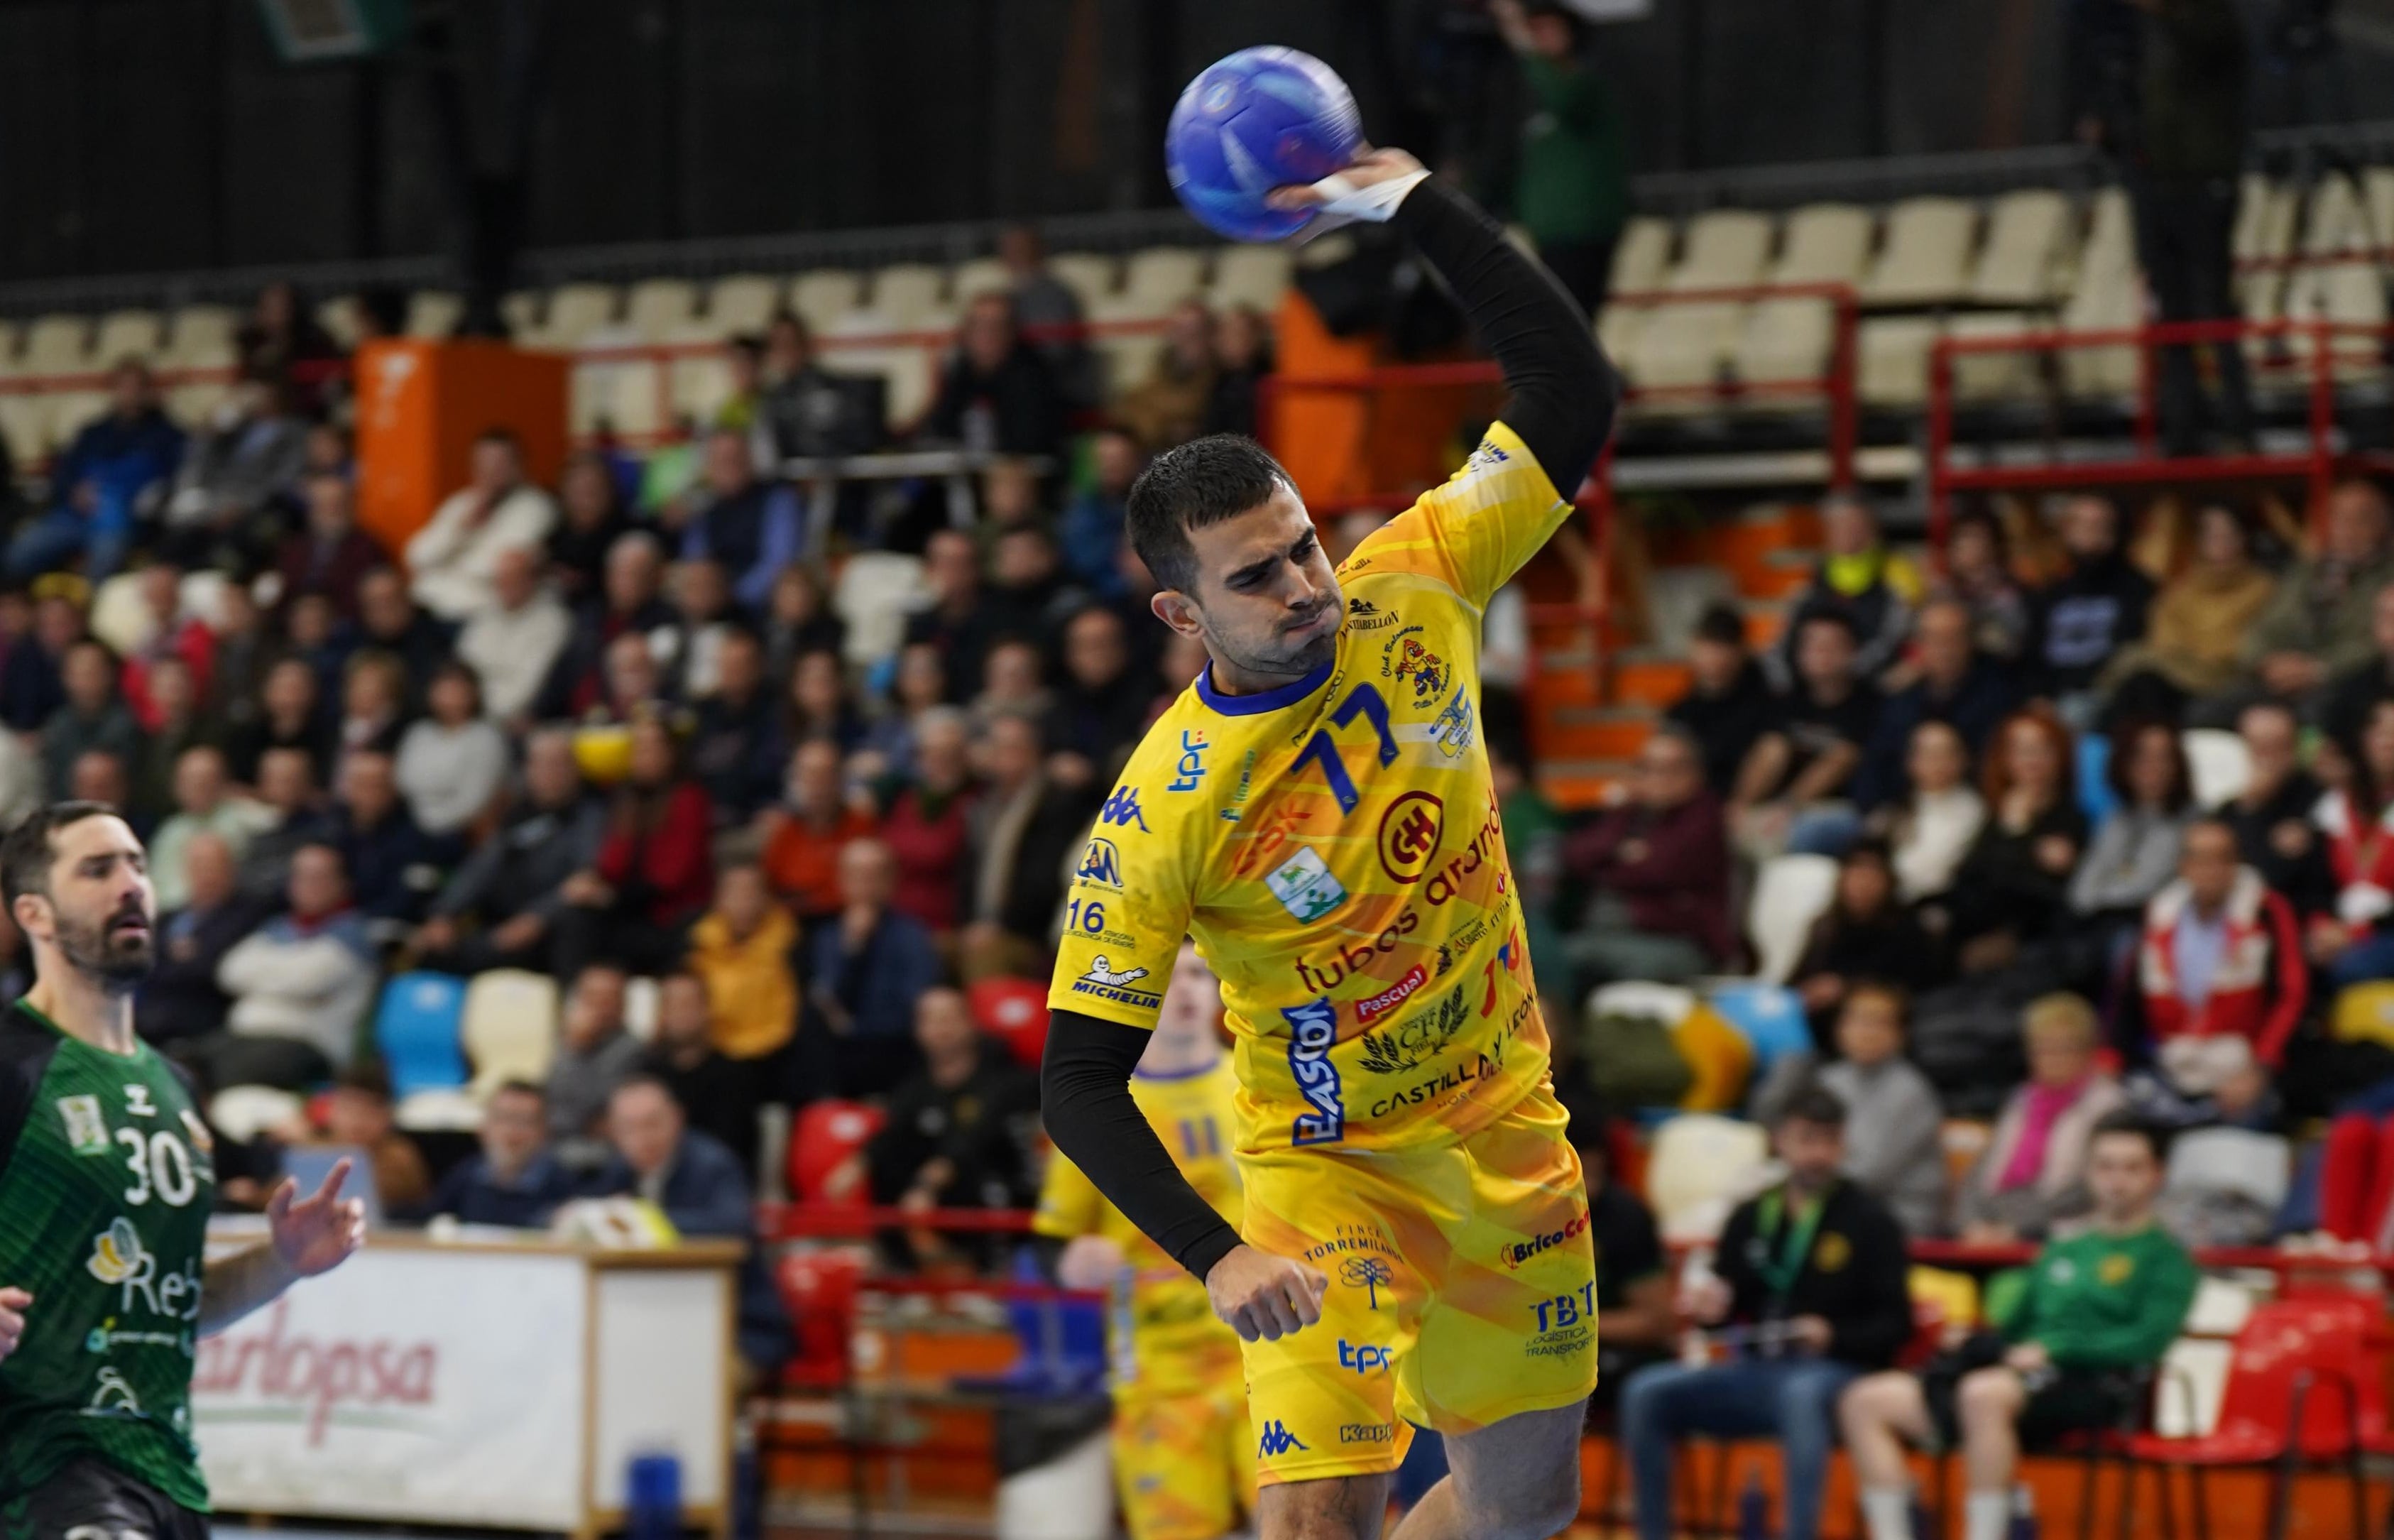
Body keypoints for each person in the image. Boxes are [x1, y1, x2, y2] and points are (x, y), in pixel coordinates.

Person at [1039, 148, 1614, 1539]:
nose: (1306, 585)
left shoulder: (1414, 575)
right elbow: (1078, 1085)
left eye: (1302, 543)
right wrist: (1220, 1254)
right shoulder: (1162, 807)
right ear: (1183, 617)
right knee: (1318, 1519)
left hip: (1505, 1139)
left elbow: (1572, 395)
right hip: (1324, 1173)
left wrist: (1416, 206)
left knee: (1518, 1517)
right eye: (1258, 574)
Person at [0, 801, 364, 1540]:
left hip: (167, 1474)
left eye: (137, 864)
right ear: (35, 912)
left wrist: (283, 1263)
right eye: (97, 870)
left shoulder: (175, 1086)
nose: (131, 884)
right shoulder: (13, 1064)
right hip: (39, 1467)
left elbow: (174, 1311)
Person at [1839, 1115, 2198, 1540]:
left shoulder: (2167, 1258)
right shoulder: (2064, 1247)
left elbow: (2147, 1342)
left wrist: (2056, 1349)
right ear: (2088, 1171)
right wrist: (1974, 1339)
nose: (2116, 1181)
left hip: (2100, 1385)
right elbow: (2015, 1326)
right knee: (1866, 1400)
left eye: (2131, 1168)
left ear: (2157, 1175)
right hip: (2022, 1380)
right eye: (2105, 1166)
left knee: (1983, 1394)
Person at [1617, 1086, 1913, 1540]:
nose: (1818, 1153)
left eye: (1829, 1141)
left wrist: (1833, 1334)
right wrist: (1710, 1307)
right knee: (1647, 1392)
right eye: (1807, 1139)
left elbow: (1897, 1324)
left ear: (1843, 1145)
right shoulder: (1754, 1213)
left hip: (1834, 1373)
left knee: (1800, 1394)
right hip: (1755, 1370)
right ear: (1780, 1141)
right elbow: (1727, 1298)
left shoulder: (1869, 1219)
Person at [1035, 944, 1255, 1540]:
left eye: (1195, 975)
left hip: (1264, 1353)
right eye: (1168, 978)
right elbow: (1052, 1245)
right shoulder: (1097, 1112)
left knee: (1312, 1519)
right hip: (1159, 1374)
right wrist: (1074, 1261)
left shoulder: (1254, 1086)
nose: (1183, 991)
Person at [587, 1076, 793, 1382]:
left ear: (677, 1119)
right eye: (629, 1128)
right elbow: (594, 1216)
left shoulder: (712, 1164)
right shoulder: (620, 1172)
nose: (643, 1137)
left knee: (679, 1379)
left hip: (738, 1329)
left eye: (653, 1123)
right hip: (659, 1326)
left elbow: (733, 1229)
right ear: (614, 1133)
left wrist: (646, 1219)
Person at [2126, 0, 2253, 454]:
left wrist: (2166, 14)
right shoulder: (2147, 41)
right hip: (2161, 187)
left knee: (2213, 307)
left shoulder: (2212, 21)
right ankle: (2181, 432)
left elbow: (2207, 43)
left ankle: (2237, 425)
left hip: (2206, 185)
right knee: (2170, 316)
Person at [2126, 817, 2307, 1126]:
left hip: (2243, 1068)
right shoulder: (2159, 915)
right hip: (2174, 1065)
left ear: (2236, 863)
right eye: (2200, 858)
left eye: (2222, 858)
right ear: (2183, 865)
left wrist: (2261, 1067)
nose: (2211, 869)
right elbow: (2126, 999)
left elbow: (2292, 995)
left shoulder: (2266, 910)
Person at [857, 986, 1041, 1265]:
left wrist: (928, 1183)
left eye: (948, 1018)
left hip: (999, 1184)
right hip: (930, 1196)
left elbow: (977, 1136)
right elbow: (890, 1136)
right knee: (886, 1171)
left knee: (984, 1182)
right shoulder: (913, 1088)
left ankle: (993, 1277)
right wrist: (857, 1165)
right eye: (930, 1020)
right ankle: (910, 1278)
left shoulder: (1005, 1080)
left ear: (970, 1023)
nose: (940, 1029)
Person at [412, 728, 605, 976]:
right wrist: (444, 913)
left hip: (548, 928)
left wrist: (535, 918)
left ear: (575, 770)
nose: (551, 773)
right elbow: (482, 867)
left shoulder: (589, 817)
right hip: (500, 924)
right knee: (431, 948)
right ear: (528, 769)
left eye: (559, 763)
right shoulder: (517, 813)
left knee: (576, 925)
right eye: (541, 763)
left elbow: (585, 883)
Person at [1563, 724, 1733, 984]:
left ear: (1696, 774)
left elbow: (1659, 870)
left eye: (1671, 769)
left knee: (1579, 956)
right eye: (1647, 768)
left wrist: (1607, 867)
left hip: (1683, 940)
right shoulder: (1633, 812)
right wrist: (1618, 851)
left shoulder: (1705, 815)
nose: (1658, 778)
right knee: (1559, 955)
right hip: (1621, 930)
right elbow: (1576, 854)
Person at [1489, 0, 1628, 316]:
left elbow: (1562, 96)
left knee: (1571, 319)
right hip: (1549, 231)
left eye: (1549, 29)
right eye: (1534, 30)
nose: (1539, 38)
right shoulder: (1531, 100)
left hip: (1582, 230)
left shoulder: (1582, 86)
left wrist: (1521, 40)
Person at [1954, 993, 2128, 1242]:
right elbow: (1978, 1175)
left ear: (2089, 1051)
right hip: (1992, 1229)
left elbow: (2086, 1191)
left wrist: (2019, 1230)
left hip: (2063, 1233)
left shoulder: (2109, 1107)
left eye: (2064, 1048)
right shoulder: (2019, 1100)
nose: (2052, 1058)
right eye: (2042, 1048)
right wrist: (1970, 1224)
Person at [204, 842, 376, 1089]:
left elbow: (306, 981)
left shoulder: (352, 934)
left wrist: (260, 977)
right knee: (183, 1065)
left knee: (228, 1077)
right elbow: (229, 971)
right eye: (302, 877)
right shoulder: (277, 927)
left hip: (308, 1048)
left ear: (343, 883)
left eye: (320, 878)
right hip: (243, 1039)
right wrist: (285, 975)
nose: (310, 887)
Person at [555, 718, 714, 979]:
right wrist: (591, 883)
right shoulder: (625, 800)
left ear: (672, 753)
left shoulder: (689, 798)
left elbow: (671, 877)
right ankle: (576, 1002)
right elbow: (612, 863)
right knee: (575, 918)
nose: (644, 756)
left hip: (668, 918)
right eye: (639, 748)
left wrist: (611, 896)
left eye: (653, 748)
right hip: (627, 912)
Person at [2225, 479, 2394, 721]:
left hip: (2346, 681)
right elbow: (2266, 625)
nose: (2348, 529)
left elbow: (2378, 643)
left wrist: (2319, 670)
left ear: (2383, 526)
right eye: (2339, 518)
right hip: (2282, 678)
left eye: (2360, 520)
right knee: (2210, 711)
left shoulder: (2388, 577)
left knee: (2319, 714)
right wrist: (2266, 662)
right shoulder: (2307, 571)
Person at [7, 360, 182, 583]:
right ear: (113, 391)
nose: (131, 394)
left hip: (125, 522)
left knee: (104, 560)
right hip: (77, 515)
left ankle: (85, 611)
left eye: (137, 387)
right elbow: (64, 475)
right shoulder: (93, 433)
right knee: (21, 552)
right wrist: (74, 491)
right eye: (124, 387)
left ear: (148, 390)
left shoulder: (169, 436)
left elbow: (171, 484)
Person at [1941, 709, 2088, 973]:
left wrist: (2017, 833)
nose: (2031, 760)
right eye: (2021, 750)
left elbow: (2036, 896)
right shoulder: (1994, 815)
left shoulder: (2071, 821)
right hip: (1972, 934)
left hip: (2034, 945)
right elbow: (1969, 881)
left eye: (2042, 749)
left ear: (2060, 757)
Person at [2099, 503, 2275, 723]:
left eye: (2227, 534)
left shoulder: (2264, 590)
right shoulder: (2180, 591)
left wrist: (2203, 659)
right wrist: (2186, 662)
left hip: (2231, 680)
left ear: (2244, 538)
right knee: (2137, 689)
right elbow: (2164, 640)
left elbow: (2255, 646)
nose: (2220, 542)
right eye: (2211, 535)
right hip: (2178, 677)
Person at [1732, 611, 1881, 858]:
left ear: (1852, 651)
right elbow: (1768, 751)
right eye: (1813, 645)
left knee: (1841, 755)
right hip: (1775, 804)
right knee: (1773, 746)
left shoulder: (1870, 703)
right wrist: (1740, 806)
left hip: (1837, 807)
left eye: (1832, 646)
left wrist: (1788, 808)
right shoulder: (1788, 699)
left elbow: (1845, 758)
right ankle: (1739, 808)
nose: (1822, 653)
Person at [804, 838, 941, 1099]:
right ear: (841, 880)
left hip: (895, 1049)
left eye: (875, 875)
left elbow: (915, 1006)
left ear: (891, 882)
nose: (866, 884)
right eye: (857, 875)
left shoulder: (913, 935)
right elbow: (828, 1001)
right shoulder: (826, 936)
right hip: (839, 1055)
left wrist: (854, 1025)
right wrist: (854, 948)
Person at [1853, 598, 2013, 812]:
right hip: (1902, 810)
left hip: (1972, 809)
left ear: (1970, 642)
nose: (1944, 649)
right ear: (1918, 645)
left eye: (1954, 638)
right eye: (1934, 638)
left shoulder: (1998, 695)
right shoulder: (1900, 699)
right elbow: (1876, 764)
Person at [1786, 844, 1941, 1042]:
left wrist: (1845, 988)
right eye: (1856, 874)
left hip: (1876, 1026)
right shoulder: (1826, 926)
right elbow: (1795, 980)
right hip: (1812, 1023)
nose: (1862, 884)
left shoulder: (1908, 929)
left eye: (1871, 876)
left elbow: (1916, 987)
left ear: (1888, 882)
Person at [135, 831, 271, 1050]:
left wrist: (169, 957)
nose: (206, 875)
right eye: (199, 866)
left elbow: (212, 968)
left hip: (202, 1023)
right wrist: (180, 957)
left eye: (214, 866)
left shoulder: (247, 913)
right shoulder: (169, 917)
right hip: (149, 1019)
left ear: (231, 869)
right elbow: (144, 964)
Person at [404, 428, 559, 621]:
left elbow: (490, 570)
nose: (490, 471)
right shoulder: (461, 503)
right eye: (484, 463)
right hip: (426, 608)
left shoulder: (536, 506)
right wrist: (461, 529)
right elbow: (417, 556)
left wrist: (446, 564)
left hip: (477, 616)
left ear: (519, 466)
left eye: (499, 463)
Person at [1773, 498, 1925, 689]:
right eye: (1840, 525)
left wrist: (1842, 671)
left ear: (1872, 530)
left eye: (1856, 525)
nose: (1848, 532)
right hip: (1809, 686)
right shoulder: (1808, 586)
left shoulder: (1898, 577)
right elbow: (1785, 644)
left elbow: (1896, 640)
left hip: (1871, 687)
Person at [2028, 495, 2153, 718]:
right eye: (2081, 524)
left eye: (2098, 525)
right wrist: (2039, 695)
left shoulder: (2137, 590)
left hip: (2107, 697)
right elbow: (2032, 656)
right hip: (2053, 697)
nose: (2089, 533)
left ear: (2115, 532)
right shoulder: (2051, 593)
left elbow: (2132, 652)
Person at [642, 972, 766, 1179]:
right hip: (654, 1179)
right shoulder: (647, 1075)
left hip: (715, 1181)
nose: (680, 1014)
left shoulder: (734, 1075)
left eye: (688, 1004)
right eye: (671, 1005)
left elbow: (734, 1148)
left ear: (707, 1009)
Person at [2217, 700, 2334, 916]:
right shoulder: (2231, 809)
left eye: (2277, 747)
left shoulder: (2320, 800)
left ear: (2295, 748)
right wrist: (2252, 807)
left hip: (2304, 917)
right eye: (2259, 747)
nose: (2267, 759)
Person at [922, 291, 1065, 458]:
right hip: (965, 469)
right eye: (977, 325)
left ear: (1012, 332)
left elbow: (1029, 444)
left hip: (1019, 471)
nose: (986, 335)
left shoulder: (1033, 376)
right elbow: (940, 430)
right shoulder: (962, 371)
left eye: (996, 326)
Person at [684, 863, 799, 1064]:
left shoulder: (792, 946)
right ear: (718, 899)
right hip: (711, 1055)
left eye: (751, 892)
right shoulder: (695, 944)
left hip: (776, 1055)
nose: (743, 901)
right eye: (735, 892)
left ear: (767, 899)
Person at [682, 429, 804, 612]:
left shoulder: (778, 500)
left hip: (762, 606)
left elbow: (779, 562)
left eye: (736, 458)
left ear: (751, 459)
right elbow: (695, 561)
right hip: (713, 604)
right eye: (722, 461)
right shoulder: (704, 508)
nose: (730, 467)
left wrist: (736, 597)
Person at [426, 1079, 576, 1228]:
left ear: (545, 1132)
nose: (513, 1131)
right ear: (483, 1127)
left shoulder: (562, 1187)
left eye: (526, 1121)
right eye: (503, 1118)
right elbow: (428, 1219)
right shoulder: (465, 1177)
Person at [1666, 603, 1777, 799]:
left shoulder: (1766, 704)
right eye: (1707, 649)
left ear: (1740, 651)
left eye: (1721, 650)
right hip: (1691, 802)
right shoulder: (1681, 710)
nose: (1714, 660)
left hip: (1738, 802)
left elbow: (1771, 753)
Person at [759, 739, 878, 921]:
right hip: (791, 921)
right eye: (809, 775)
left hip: (842, 921)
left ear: (840, 779)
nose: (817, 784)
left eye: (825, 775)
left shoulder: (862, 827)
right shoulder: (784, 830)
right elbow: (769, 887)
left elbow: (872, 890)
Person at [145, 747, 271, 915]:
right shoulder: (169, 831)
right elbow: (159, 889)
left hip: (236, 910)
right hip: (179, 916)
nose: (198, 787)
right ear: (177, 787)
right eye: (190, 781)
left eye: (206, 780)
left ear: (223, 781)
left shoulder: (248, 817)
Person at [457, 545, 572, 726]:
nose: (505, 586)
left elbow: (528, 689)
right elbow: (462, 668)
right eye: (500, 580)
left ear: (531, 579)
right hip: (466, 712)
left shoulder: (552, 621)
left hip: (511, 720)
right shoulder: (484, 614)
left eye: (513, 579)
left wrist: (474, 710)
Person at [394, 662, 510, 839]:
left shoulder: (485, 738)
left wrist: (433, 825)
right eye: (444, 690)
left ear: (473, 693)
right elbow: (403, 781)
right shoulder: (419, 732)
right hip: (410, 824)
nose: (450, 698)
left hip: (458, 833)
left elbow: (474, 800)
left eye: (457, 690)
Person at [1878, 720, 1987, 905]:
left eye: (1946, 753)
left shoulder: (1976, 810)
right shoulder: (1896, 806)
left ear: (1964, 759)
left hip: (1939, 903)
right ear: (1911, 761)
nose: (1937, 762)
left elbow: (1939, 875)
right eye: (1928, 753)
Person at [545, 964, 643, 1167]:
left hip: (605, 1155)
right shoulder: (562, 1041)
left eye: (609, 998)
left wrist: (577, 1050)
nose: (599, 1006)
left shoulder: (633, 1050)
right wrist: (573, 1048)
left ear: (623, 1005)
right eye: (592, 997)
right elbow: (553, 1106)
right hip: (552, 1145)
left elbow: (585, 1112)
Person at [40, 640, 143, 804]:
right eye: (78, 672)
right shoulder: (58, 724)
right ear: (65, 677)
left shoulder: (127, 723)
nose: (86, 678)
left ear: (109, 674)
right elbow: (53, 781)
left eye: (93, 671)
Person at [1117, 301, 1219, 454]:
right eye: (1179, 330)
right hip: (1153, 451)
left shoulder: (1218, 374)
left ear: (1209, 336)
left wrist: (1157, 415)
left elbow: (1190, 406)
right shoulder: (1162, 365)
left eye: (1193, 332)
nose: (1184, 338)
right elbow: (1130, 407)